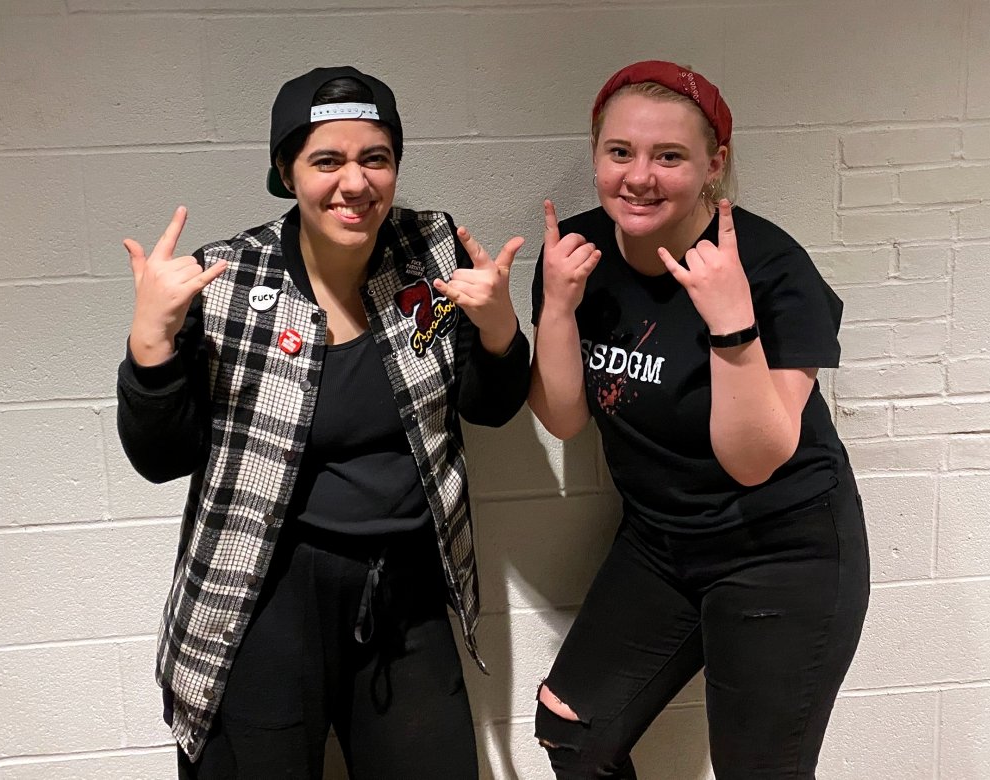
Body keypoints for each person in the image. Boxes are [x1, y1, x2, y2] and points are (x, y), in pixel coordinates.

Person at [116, 65, 530, 779]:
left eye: (376, 158)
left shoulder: (432, 254)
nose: (355, 183)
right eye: (326, 161)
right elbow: (160, 457)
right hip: (263, 593)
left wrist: (498, 331)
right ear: (286, 171)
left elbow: (488, 408)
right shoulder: (226, 281)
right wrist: (151, 344)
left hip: (403, 589)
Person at [529, 60, 870, 779]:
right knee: (573, 730)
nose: (639, 176)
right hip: (661, 541)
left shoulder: (774, 270)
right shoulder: (577, 255)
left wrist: (731, 324)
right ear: (596, 155)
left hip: (781, 550)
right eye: (620, 152)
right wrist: (558, 306)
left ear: (714, 166)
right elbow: (563, 421)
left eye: (669, 156)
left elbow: (755, 459)